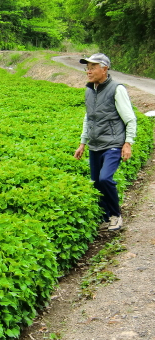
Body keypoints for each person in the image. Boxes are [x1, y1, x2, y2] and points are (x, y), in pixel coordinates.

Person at [74, 53, 137, 231]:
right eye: (87, 67)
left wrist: (128, 143)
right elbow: (89, 118)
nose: (89, 71)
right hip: (95, 144)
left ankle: (116, 215)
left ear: (104, 69)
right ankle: (106, 217)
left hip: (113, 144)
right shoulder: (89, 90)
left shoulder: (117, 89)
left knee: (105, 179)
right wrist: (82, 143)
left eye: (93, 67)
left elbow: (130, 119)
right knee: (96, 182)